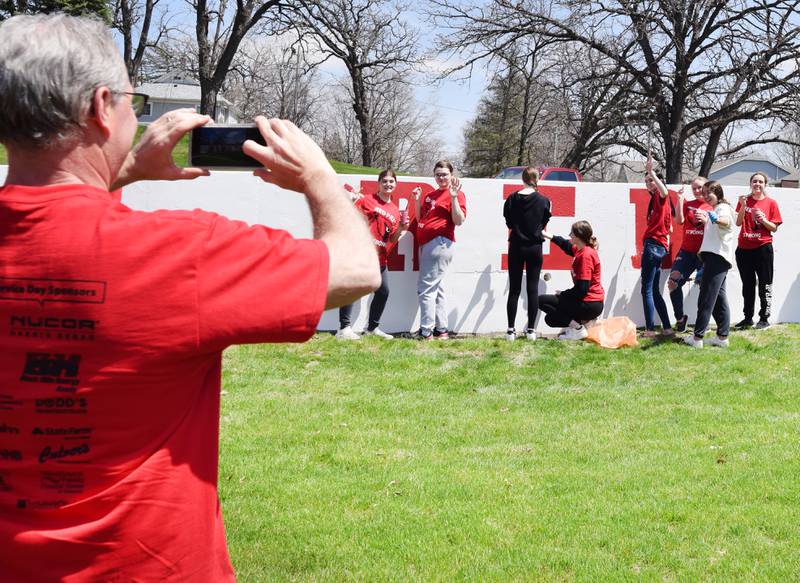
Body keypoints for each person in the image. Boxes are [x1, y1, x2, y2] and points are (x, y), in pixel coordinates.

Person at [0, 14, 379, 581]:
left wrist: (117, 171)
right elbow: (356, 268)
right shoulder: (179, 252)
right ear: (102, 107)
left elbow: (50, 228)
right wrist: (320, 178)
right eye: (133, 98)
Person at [336, 168, 410, 339]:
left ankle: (372, 329)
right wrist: (352, 201)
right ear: (379, 184)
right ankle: (344, 329)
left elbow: (392, 240)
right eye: (384, 181)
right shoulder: (368, 200)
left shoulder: (394, 210)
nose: (388, 184)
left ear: (396, 184)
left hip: (380, 257)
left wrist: (400, 228)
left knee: (383, 292)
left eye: (391, 181)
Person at [412, 160, 467, 340]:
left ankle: (426, 331)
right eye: (438, 174)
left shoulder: (457, 194)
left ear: (451, 175)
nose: (441, 177)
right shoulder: (431, 194)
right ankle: (441, 329)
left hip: (440, 243)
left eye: (444, 174)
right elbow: (421, 218)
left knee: (425, 288)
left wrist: (453, 197)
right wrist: (418, 200)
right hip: (428, 244)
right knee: (437, 288)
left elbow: (459, 220)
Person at [683, 181, 735, 348]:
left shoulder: (722, 208)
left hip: (716, 258)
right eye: (703, 193)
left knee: (706, 298)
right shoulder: (716, 208)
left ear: (718, 192)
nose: (705, 196)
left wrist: (716, 219)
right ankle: (722, 338)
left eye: (708, 193)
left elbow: (726, 221)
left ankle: (697, 338)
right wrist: (709, 218)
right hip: (716, 258)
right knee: (719, 299)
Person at [503, 166, 551, 341]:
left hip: (516, 245)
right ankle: (531, 330)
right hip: (535, 247)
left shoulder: (511, 199)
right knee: (532, 289)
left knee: (514, 289)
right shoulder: (544, 200)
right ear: (537, 178)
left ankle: (510, 330)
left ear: (522, 179)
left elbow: (508, 221)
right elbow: (544, 221)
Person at [734, 171, 783, 330]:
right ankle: (748, 318)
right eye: (755, 181)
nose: (757, 184)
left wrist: (763, 219)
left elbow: (774, 228)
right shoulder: (744, 200)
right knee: (747, 286)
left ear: (765, 184)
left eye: (761, 182)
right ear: (750, 183)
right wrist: (742, 206)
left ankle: (764, 318)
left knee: (765, 285)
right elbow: (738, 223)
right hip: (744, 249)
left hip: (763, 249)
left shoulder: (771, 203)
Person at [539, 221, 605, 341]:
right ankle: (583, 325)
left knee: (540, 301)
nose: (570, 235)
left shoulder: (586, 255)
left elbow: (582, 289)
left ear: (578, 236)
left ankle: (578, 328)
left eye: (572, 233)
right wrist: (547, 235)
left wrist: (563, 294)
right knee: (550, 319)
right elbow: (566, 245)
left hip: (590, 303)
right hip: (588, 302)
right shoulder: (580, 250)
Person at [668, 176, 711, 331]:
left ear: (707, 187)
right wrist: (680, 200)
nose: (697, 191)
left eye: (700, 187)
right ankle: (680, 318)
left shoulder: (712, 205)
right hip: (686, 252)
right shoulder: (689, 204)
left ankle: (702, 323)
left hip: (704, 254)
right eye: (694, 188)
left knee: (704, 287)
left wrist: (707, 221)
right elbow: (679, 221)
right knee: (673, 283)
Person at [639, 152, 675, 337]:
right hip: (657, 247)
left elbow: (665, 191)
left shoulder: (661, 197)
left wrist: (651, 172)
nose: (648, 183)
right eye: (646, 181)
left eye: (650, 181)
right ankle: (667, 328)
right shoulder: (656, 202)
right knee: (653, 290)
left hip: (654, 247)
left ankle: (650, 330)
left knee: (646, 289)